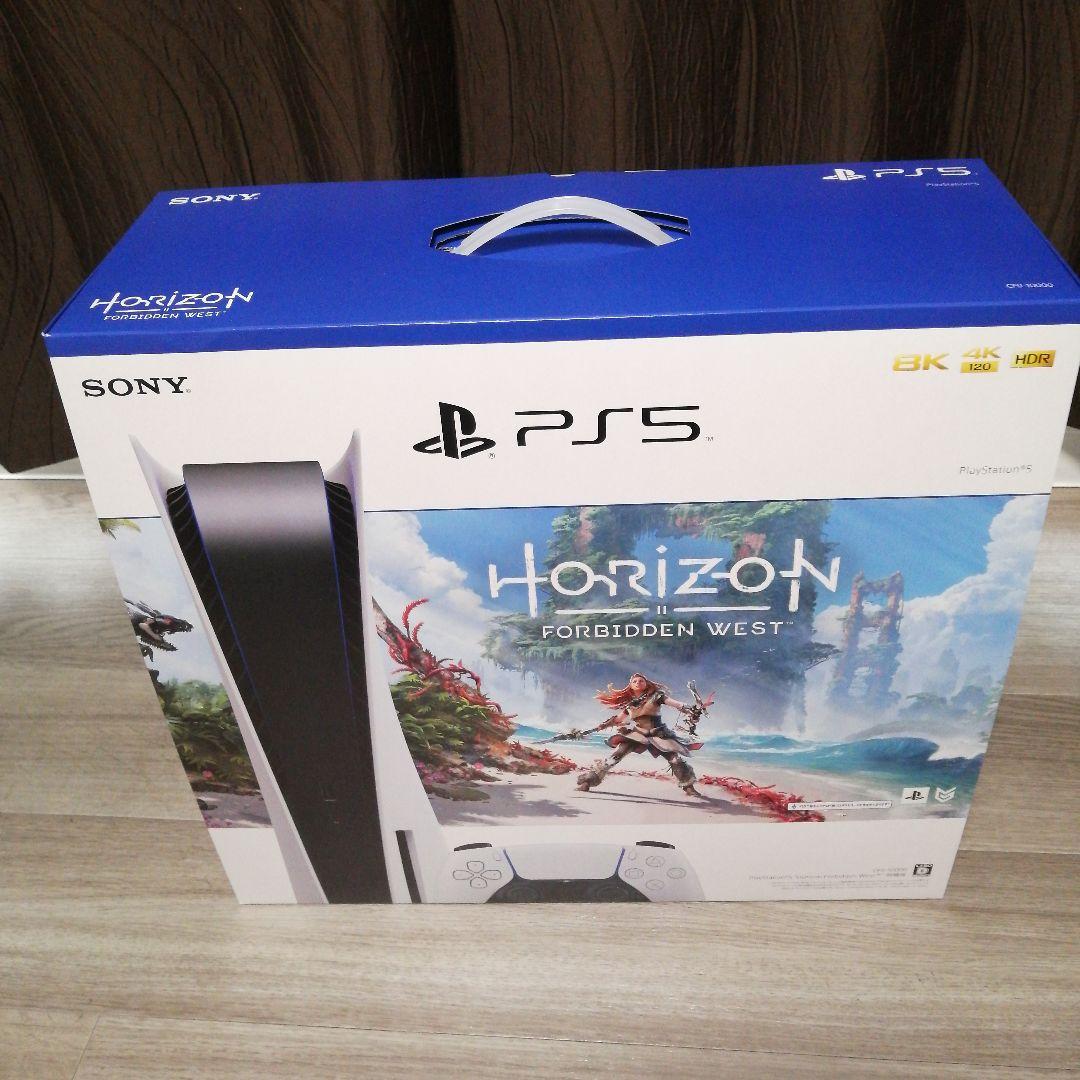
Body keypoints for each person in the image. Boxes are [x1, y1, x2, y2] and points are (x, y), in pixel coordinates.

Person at [576, 672, 708, 797]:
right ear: (630, 686)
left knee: (675, 759)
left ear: (646, 683)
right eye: (635, 681)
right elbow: (618, 720)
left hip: (658, 733)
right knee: (615, 756)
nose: (638, 683)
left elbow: (677, 704)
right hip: (638, 734)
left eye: (641, 681)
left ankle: (688, 787)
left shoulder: (657, 696)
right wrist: (604, 725)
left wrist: (692, 710)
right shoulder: (630, 704)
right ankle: (587, 782)